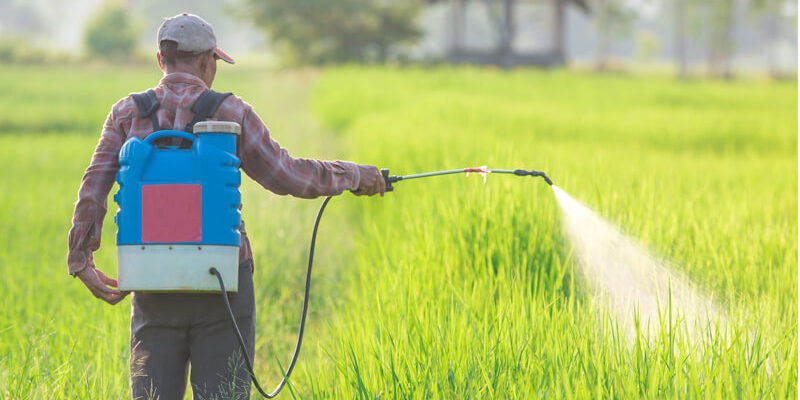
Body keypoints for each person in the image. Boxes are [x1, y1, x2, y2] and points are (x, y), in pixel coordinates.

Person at [67, 12, 385, 399]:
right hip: (223, 284)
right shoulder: (231, 112)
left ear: (161, 60)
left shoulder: (126, 113)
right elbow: (287, 175)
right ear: (207, 61)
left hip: (152, 280)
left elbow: (94, 184)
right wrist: (352, 175)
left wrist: (80, 259)